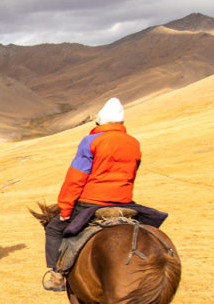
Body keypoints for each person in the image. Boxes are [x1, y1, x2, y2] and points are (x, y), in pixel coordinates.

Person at [42, 97, 141, 291]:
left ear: (100, 121)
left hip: (92, 202)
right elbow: (132, 173)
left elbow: (76, 177)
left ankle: (57, 276)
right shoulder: (133, 143)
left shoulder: (91, 141)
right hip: (124, 202)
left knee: (53, 229)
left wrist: (66, 208)